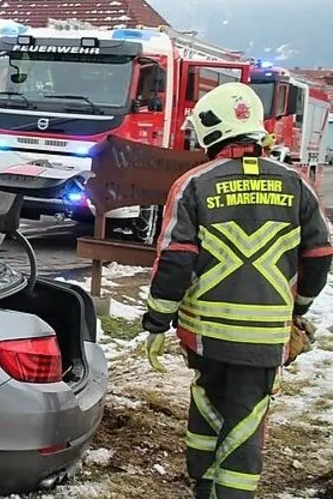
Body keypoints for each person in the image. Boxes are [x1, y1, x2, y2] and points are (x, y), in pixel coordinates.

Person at [141, 82, 331, 498]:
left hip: (205, 334)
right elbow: (319, 254)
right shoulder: (296, 184)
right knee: (247, 416)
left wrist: (157, 320)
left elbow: (176, 258)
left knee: (207, 400)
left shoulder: (193, 184)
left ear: (210, 129)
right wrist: (297, 307)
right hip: (265, 338)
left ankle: (203, 483)